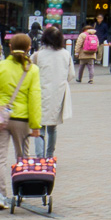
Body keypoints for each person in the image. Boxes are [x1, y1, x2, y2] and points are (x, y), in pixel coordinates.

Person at [0, 33, 43, 211]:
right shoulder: (32, 70)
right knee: (22, 156)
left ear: (9, 46)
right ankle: (21, 192)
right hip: (22, 119)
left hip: (1, 117)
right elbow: (35, 98)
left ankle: (0, 195)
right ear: (29, 48)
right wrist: (35, 124)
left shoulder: (0, 66)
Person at [33, 26, 73, 155]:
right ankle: (50, 155)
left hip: (40, 93)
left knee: (40, 127)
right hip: (58, 93)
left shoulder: (38, 55)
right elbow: (71, 75)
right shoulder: (66, 54)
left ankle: (40, 156)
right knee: (52, 127)